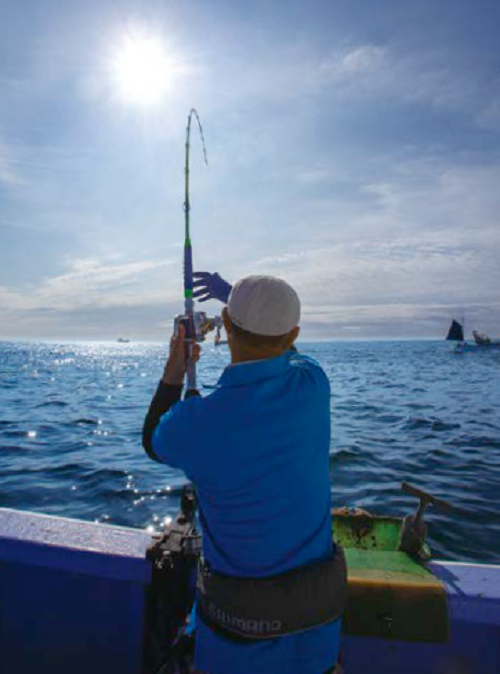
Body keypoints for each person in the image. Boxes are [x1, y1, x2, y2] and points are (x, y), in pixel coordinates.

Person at [143, 274, 344, 674]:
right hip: (317, 637)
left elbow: (152, 441)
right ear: (294, 334)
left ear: (226, 325)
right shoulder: (314, 384)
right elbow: (286, 345)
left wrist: (175, 368)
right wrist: (232, 294)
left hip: (234, 646)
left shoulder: (194, 424)